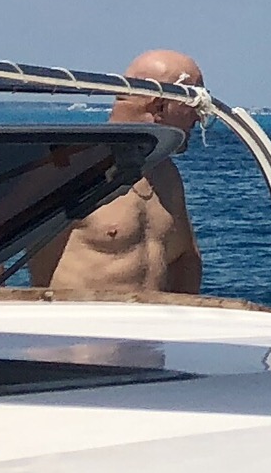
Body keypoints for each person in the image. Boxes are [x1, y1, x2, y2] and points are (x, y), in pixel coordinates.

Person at [24, 49, 206, 299]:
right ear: (160, 106)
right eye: (194, 104)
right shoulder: (64, 169)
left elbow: (187, 257)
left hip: (149, 324)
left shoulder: (166, 173)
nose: (198, 117)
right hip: (76, 322)